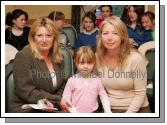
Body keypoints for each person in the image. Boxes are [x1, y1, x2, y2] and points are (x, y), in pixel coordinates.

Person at [9, 17, 66, 113]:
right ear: (33, 37)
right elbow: (25, 90)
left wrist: (55, 102)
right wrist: (56, 100)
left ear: (54, 38)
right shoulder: (23, 56)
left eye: (48, 35)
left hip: (52, 107)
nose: (44, 40)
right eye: (39, 35)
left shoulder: (58, 57)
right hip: (27, 109)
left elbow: (63, 84)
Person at [96, 16, 151, 113]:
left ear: (122, 36)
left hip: (137, 109)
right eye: (105, 33)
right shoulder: (97, 57)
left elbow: (140, 94)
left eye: (115, 33)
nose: (109, 38)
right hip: (109, 109)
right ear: (100, 36)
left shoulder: (135, 58)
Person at [61, 46, 111, 113]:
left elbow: (103, 96)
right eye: (82, 63)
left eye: (89, 63)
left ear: (94, 63)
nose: (85, 66)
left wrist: (108, 111)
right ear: (76, 63)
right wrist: (75, 113)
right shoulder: (72, 80)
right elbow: (66, 99)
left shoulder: (97, 80)